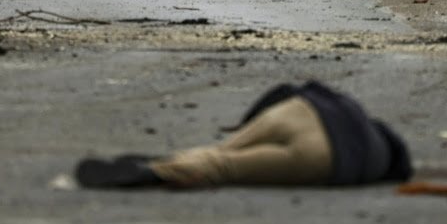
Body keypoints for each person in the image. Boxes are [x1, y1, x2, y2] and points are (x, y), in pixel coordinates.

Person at [74, 81, 412, 188]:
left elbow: (284, 90)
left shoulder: (354, 109)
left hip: (299, 110)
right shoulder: (376, 161)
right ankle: (160, 171)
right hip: (325, 155)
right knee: (227, 168)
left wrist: (246, 125)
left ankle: (195, 154)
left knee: (224, 150)